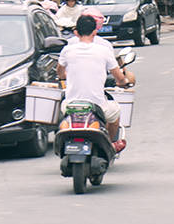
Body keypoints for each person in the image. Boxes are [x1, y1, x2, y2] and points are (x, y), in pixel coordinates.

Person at [57, 12, 134, 143]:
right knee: (115, 114)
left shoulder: (67, 50)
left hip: (70, 106)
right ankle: (110, 144)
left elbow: (60, 72)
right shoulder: (103, 50)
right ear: (94, 32)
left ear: (76, 32)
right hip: (98, 106)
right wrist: (123, 82)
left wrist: (66, 77)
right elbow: (119, 78)